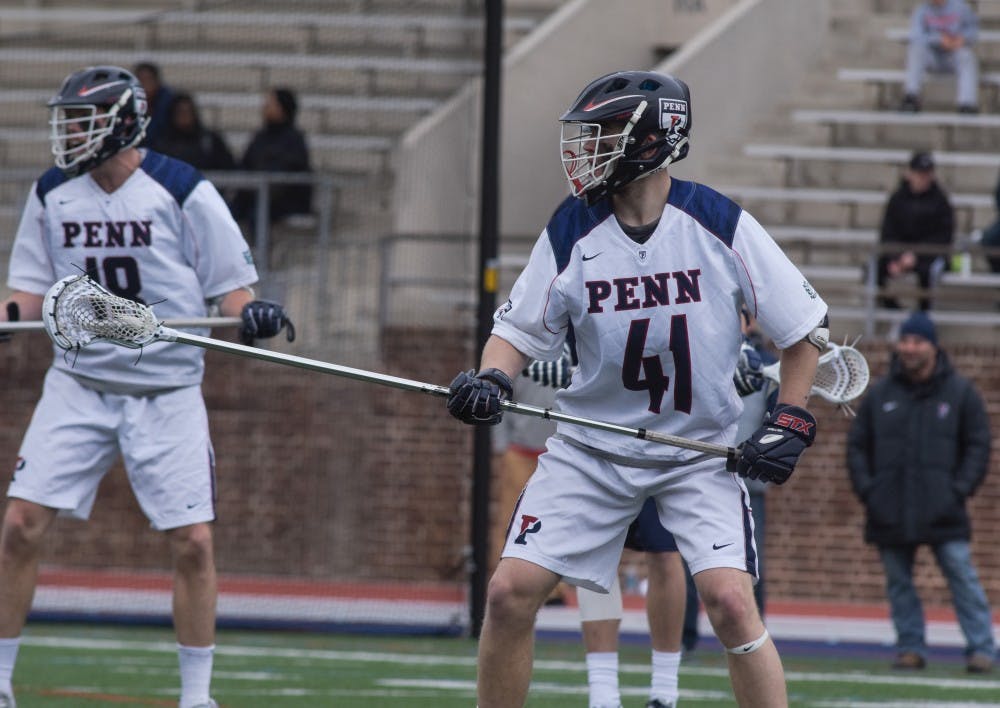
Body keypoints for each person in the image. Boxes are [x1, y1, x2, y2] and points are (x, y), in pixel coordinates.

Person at [446, 70, 828, 707]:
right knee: (508, 594)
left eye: (601, 135)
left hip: (696, 455)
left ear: (652, 141)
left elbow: (804, 332)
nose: (584, 149)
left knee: (732, 603)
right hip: (591, 451)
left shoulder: (717, 222)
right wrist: (491, 378)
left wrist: (789, 422)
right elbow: (514, 331)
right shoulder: (572, 228)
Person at [0, 65, 296, 708]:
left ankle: (196, 696)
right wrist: (11, 318)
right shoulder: (53, 191)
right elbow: (27, 284)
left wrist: (253, 312)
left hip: (165, 390)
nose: (71, 132)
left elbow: (232, 287)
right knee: (19, 524)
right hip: (77, 383)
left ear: (124, 122)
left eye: (83, 120)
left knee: (192, 542)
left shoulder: (182, 188)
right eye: (69, 120)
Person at [846, 311, 994, 674]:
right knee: (899, 583)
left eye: (917, 341)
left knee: (962, 575)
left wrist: (958, 490)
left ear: (933, 345)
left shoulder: (960, 393)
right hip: (890, 509)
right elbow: (857, 447)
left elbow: (979, 445)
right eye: (905, 341)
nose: (909, 348)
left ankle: (982, 649)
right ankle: (910, 648)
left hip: (944, 509)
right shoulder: (881, 393)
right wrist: (870, 492)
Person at [578, 500, 686, 708]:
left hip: (662, 469)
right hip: (604, 469)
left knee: (664, 552)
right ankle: (603, 697)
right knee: (597, 548)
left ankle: (664, 693)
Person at [875, 151, 954, 311]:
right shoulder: (897, 199)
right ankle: (892, 309)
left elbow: (944, 236)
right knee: (876, 267)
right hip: (900, 254)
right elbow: (888, 232)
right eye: (919, 173)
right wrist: (897, 257)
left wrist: (916, 256)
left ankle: (923, 313)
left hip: (928, 255)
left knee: (928, 273)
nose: (923, 178)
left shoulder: (940, 201)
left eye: (927, 174)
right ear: (909, 173)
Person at [232, 87, 313, 225]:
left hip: (282, 201)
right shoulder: (260, 137)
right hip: (253, 195)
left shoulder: (293, 139)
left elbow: (289, 171)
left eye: (270, 104)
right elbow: (245, 164)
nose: (265, 107)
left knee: (257, 214)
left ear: (283, 109)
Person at [899, 0, 980, 114]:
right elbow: (916, 36)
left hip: (954, 55)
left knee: (966, 55)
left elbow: (973, 31)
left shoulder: (961, 7)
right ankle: (911, 96)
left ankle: (967, 103)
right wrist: (939, 39)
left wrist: (962, 39)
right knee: (915, 49)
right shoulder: (921, 10)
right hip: (932, 57)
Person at [152, 92, 236, 173]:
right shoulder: (162, 144)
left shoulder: (210, 141)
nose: (184, 116)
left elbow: (229, 169)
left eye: (188, 111)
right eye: (180, 112)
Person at [134, 61, 176, 146]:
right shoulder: (127, 103)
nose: (144, 85)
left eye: (148, 80)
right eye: (140, 80)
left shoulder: (171, 104)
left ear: (157, 81)